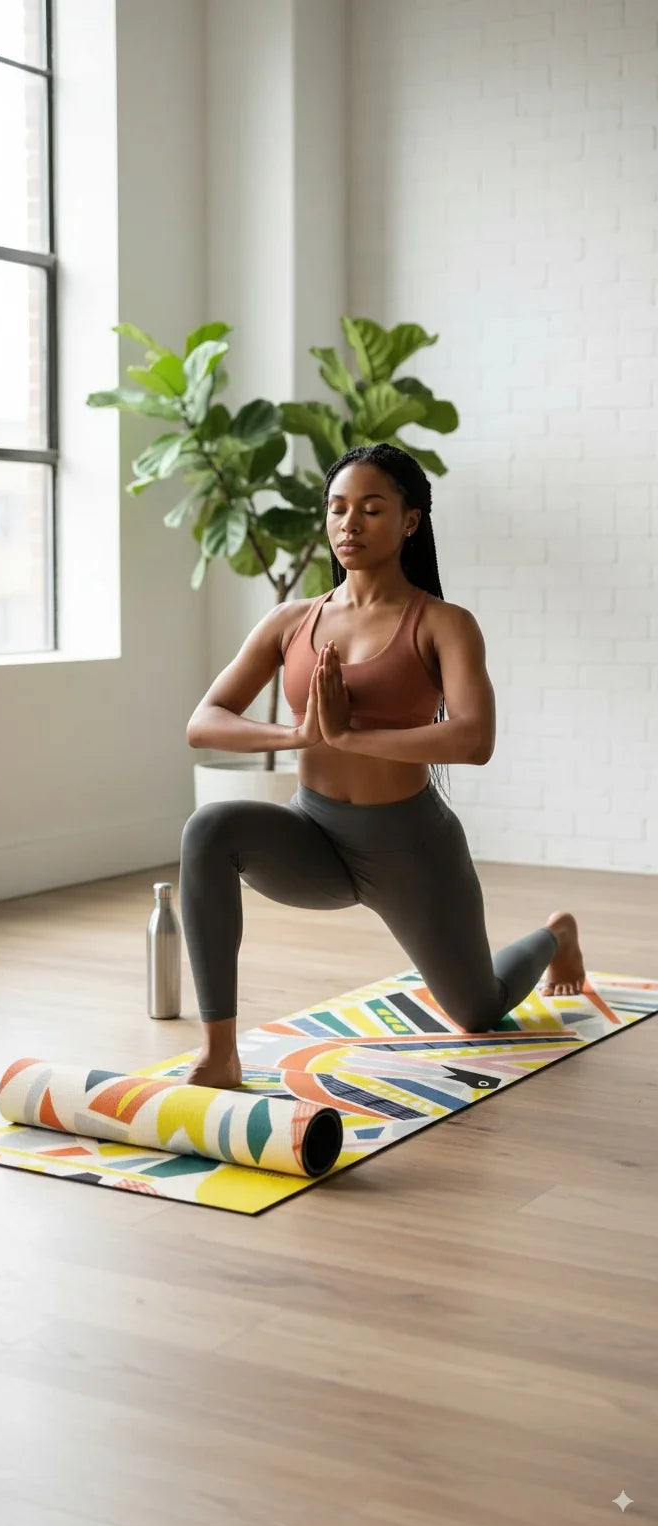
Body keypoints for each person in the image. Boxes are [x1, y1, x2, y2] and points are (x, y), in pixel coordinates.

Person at [180, 442, 585, 1089]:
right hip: (312, 835)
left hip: (410, 846)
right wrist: (301, 734)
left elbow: (475, 739)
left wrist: (348, 736)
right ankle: (219, 1053)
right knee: (209, 828)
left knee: (476, 1010)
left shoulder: (444, 624)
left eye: (371, 509)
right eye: (338, 508)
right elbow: (204, 720)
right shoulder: (291, 621)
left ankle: (555, 937)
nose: (350, 524)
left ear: (410, 521)